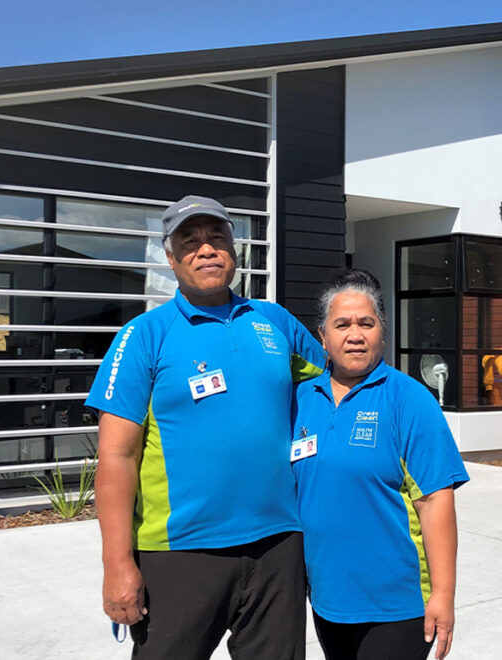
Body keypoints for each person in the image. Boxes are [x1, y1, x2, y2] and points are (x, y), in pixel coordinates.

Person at [85, 195, 325, 660]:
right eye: (190, 242)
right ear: (171, 259)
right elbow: (117, 457)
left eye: (217, 238)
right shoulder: (144, 335)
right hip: (180, 551)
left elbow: (335, 387)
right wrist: (116, 564)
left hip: (278, 545)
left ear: (235, 252)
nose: (207, 249)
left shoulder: (274, 322)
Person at [291, 270, 469, 660]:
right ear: (322, 336)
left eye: (366, 323)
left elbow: (436, 501)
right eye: (342, 324)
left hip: (396, 606)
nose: (355, 334)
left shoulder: (409, 400)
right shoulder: (303, 398)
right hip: (328, 599)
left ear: (382, 333)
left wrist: (443, 594)